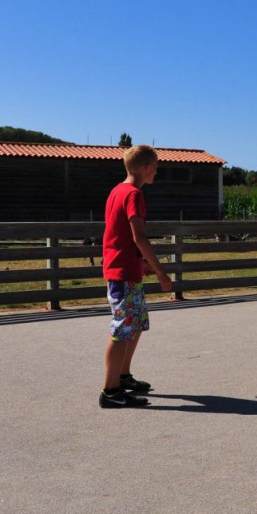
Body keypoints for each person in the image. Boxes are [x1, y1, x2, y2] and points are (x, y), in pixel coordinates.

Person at [100, 145, 174, 408]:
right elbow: (139, 236)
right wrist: (161, 272)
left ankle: (123, 376)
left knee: (135, 324)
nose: (156, 171)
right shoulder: (134, 195)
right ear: (145, 168)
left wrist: (139, 261)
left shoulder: (116, 191)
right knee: (122, 329)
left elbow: (119, 235)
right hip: (122, 273)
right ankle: (110, 392)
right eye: (155, 166)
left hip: (125, 268)